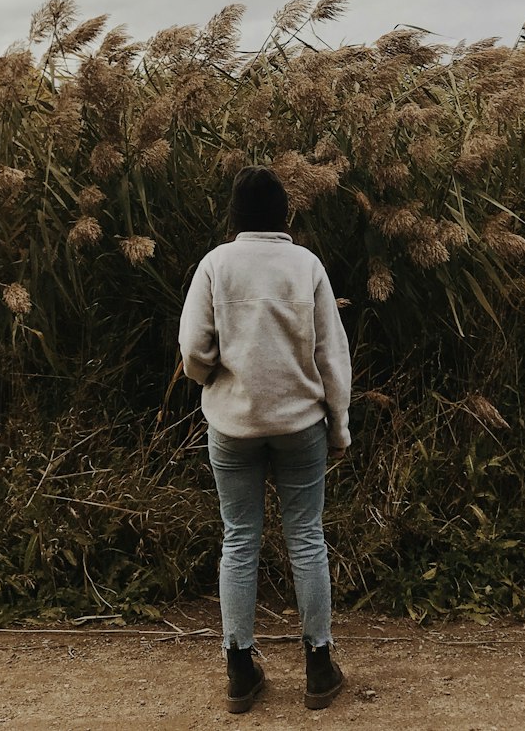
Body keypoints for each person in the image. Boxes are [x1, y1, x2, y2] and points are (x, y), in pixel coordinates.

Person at [178, 164, 352, 714]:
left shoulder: (215, 265)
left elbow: (192, 350)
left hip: (233, 427)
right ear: (284, 214)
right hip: (301, 425)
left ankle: (240, 673)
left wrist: (213, 378)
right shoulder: (306, 265)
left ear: (235, 216)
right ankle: (319, 670)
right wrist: (340, 425)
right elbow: (332, 353)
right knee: (305, 536)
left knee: (239, 538)